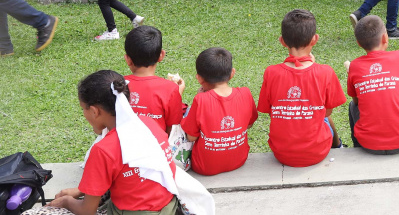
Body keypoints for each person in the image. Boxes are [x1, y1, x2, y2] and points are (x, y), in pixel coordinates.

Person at [48, 70, 181, 215]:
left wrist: (66, 202)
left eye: (83, 109)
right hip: (168, 208)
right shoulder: (149, 123)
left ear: (94, 111)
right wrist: (81, 190)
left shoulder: (103, 150)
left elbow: (87, 211)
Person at [257, 9, 345, 167]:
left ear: (282, 41)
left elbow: (270, 110)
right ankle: (339, 146)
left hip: (282, 153)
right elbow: (327, 112)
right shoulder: (325, 72)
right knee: (324, 116)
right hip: (316, 152)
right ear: (315, 39)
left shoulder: (271, 73)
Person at [345, 15, 399, 154]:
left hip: (368, 144)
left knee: (351, 105)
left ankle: (356, 146)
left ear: (358, 43)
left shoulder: (355, 65)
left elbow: (356, 101)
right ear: (385, 38)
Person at [182, 47, 258, 176]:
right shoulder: (245, 93)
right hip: (239, 160)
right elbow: (249, 124)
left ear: (199, 79)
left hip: (204, 167)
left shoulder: (200, 100)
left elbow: (191, 137)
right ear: (232, 73)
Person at [122, 25, 184, 134]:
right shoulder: (170, 89)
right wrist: (177, 94)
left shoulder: (116, 84)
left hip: (121, 147)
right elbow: (172, 130)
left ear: (127, 59)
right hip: (158, 148)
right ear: (161, 55)